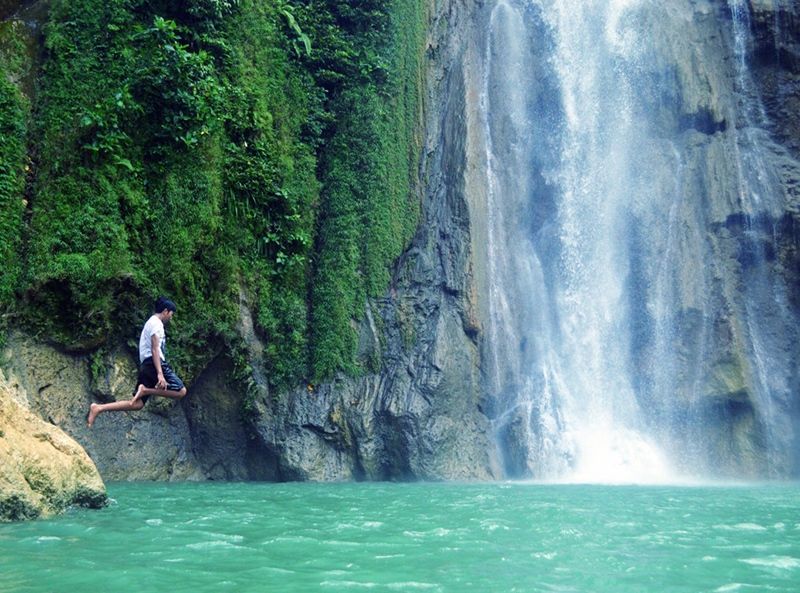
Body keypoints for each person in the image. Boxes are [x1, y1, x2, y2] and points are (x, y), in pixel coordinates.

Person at [87, 296, 187, 427]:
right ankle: (146, 390)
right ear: (166, 311)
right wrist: (160, 374)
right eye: (171, 314)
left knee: (137, 404)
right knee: (181, 391)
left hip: (146, 364)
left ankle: (98, 408)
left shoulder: (150, 323)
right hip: (154, 363)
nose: (171, 318)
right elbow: (155, 348)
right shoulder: (157, 324)